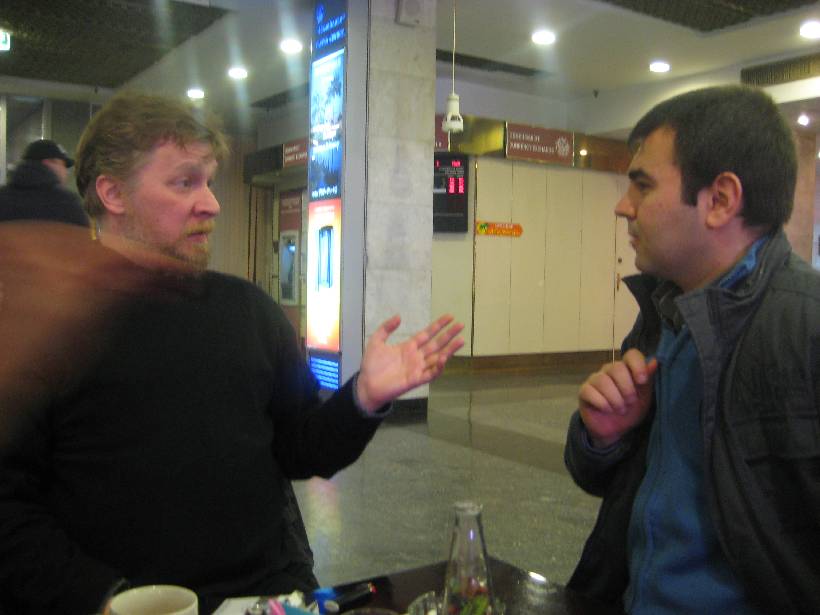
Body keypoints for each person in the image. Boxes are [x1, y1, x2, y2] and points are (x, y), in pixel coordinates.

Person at [0, 92, 464, 615]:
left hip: (262, 595)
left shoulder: (248, 311)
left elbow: (301, 447)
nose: (212, 204)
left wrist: (361, 398)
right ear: (113, 193)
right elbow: (9, 508)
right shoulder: (48, 326)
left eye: (209, 182)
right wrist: (102, 598)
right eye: (184, 182)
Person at [564, 85, 820, 615]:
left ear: (720, 200)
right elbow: (605, 481)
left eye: (642, 185)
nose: (622, 207)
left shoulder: (804, 329)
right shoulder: (667, 311)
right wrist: (603, 437)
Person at [0, 138, 90, 227]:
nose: (66, 172)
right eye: (63, 165)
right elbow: (82, 235)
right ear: (48, 163)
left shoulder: (3, 198)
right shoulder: (66, 203)